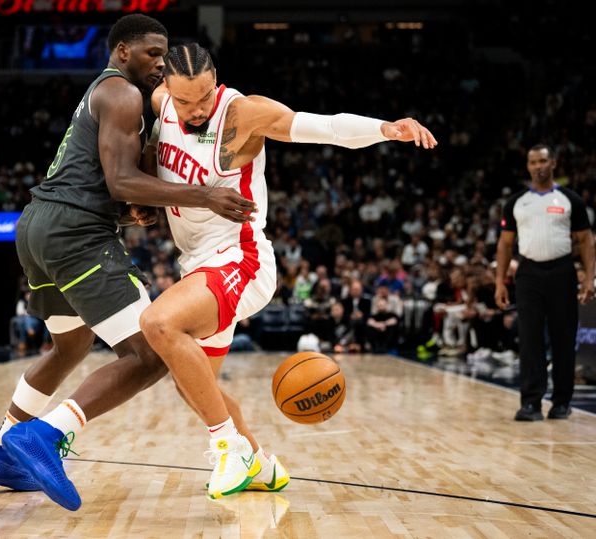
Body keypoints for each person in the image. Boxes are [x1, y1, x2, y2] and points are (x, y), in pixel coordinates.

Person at [0, 15, 256, 511]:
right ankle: (47, 436)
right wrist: (204, 196)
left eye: (164, 54)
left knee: (70, 346)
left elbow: (111, 186)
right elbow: (121, 180)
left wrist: (127, 210)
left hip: (37, 228)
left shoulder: (105, 94)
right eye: (151, 53)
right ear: (122, 51)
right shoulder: (122, 94)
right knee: (150, 352)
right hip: (75, 234)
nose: (161, 62)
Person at [139, 43, 437, 498]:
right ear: (167, 91)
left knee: (159, 322)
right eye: (184, 101)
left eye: (203, 97)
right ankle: (258, 464)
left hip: (242, 258)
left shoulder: (243, 113)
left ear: (216, 80)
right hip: (197, 265)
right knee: (192, 386)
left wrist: (386, 129)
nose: (195, 110)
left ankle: (228, 447)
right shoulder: (163, 104)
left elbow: (324, 127)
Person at [495, 144, 595, 421]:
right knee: (529, 338)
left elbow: (586, 240)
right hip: (528, 273)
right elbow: (505, 245)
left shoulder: (570, 199)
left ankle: (562, 401)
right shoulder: (516, 202)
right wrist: (499, 282)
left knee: (563, 338)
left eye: (542, 161)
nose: (537, 166)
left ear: (553, 164)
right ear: (528, 166)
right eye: (532, 162)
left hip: (562, 271)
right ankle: (531, 403)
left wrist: (589, 278)